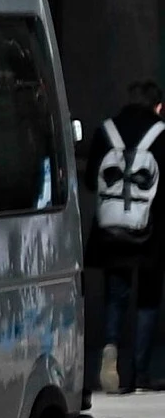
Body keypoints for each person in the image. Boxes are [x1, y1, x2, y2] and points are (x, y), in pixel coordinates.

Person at [84, 80, 162, 392]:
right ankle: (140, 373)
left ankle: (110, 352)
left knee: (116, 296)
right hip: (152, 233)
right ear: (158, 107)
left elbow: (92, 179)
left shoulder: (106, 131)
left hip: (112, 232)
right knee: (147, 300)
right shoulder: (162, 133)